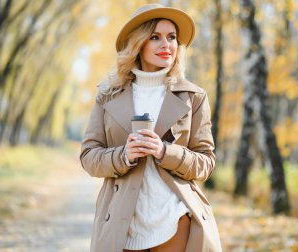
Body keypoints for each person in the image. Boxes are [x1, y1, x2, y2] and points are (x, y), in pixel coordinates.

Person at [80, 3, 222, 252]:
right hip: (121, 223)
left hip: (176, 220)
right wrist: (123, 155)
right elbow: (89, 157)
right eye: (155, 37)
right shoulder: (108, 95)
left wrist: (165, 152)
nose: (166, 45)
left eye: (172, 38)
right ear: (138, 43)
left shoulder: (193, 97)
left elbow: (206, 162)